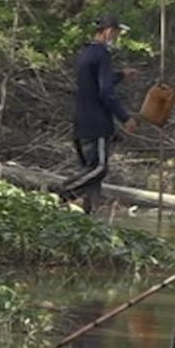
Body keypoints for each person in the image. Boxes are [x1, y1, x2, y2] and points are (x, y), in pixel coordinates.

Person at [54, 13, 139, 214]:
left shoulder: (85, 53)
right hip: (96, 124)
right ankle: (63, 192)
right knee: (99, 169)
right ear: (109, 31)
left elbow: (95, 83)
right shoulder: (102, 54)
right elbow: (105, 92)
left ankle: (88, 217)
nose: (116, 37)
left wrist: (120, 76)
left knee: (89, 173)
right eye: (116, 33)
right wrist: (125, 117)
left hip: (81, 121)